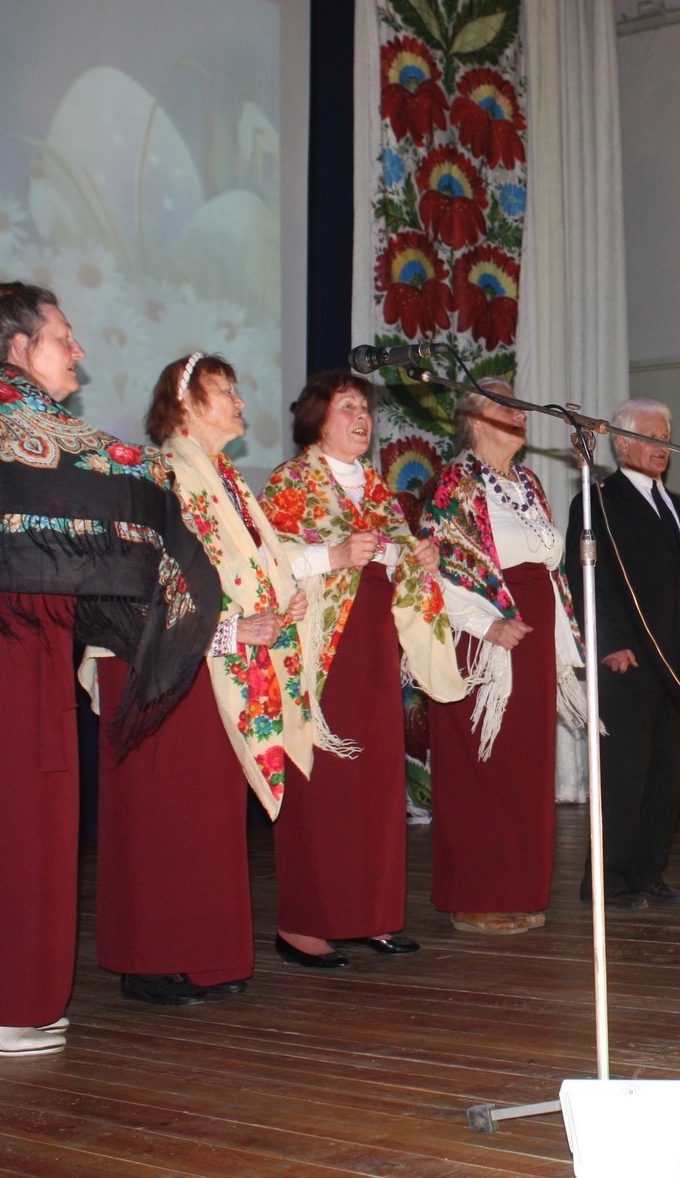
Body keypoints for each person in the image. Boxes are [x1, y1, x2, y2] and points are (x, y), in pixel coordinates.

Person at [0, 282, 216, 1055]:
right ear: (20, 346)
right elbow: (118, 471)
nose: (79, 351)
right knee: (14, 811)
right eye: (65, 337)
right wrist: (173, 480)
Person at [92, 352, 341, 1002]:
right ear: (184, 403)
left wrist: (281, 599)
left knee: (204, 815)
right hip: (158, 666)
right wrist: (231, 630)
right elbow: (138, 587)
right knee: (162, 813)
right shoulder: (154, 475)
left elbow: (253, 565)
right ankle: (150, 961)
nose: (239, 402)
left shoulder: (224, 478)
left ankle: (205, 954)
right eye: (224, 390)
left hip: (208, 668)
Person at [261, 371, 465, 954]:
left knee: (374, 784)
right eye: (346, 406)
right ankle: (303, 925)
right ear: (316, 419)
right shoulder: (290, 481)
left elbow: (397, 568)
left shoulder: (375, 488)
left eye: (365, 408)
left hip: (374, 649)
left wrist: (420, 558)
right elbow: (262, 562)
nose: (362, 417)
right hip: (321, 652)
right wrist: (332, 555)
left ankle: (371, 914)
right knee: (321, 782)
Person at [421, 378, 583, 934]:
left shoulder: (528, 483)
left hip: (530, 639)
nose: (519, 412)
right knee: (481, 766)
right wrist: (486, 625)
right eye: (503, 404)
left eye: (519, 403)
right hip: (482, 641)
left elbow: (549, 565)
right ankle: (475, 896)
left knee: (524, 768)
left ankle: (519, 890)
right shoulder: (455, 484)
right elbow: (438, 571)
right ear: (473, 420)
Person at [566, 398, 680, 910]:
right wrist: (608, 642)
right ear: (622, 443)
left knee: (665, 775)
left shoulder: (676, 507)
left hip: (676, 663)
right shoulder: (597, 501)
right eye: (651, 438)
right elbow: (587, 578)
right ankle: (606, 882)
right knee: (623, 775)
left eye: (666, 438)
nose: (662, 447)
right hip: (627, 661)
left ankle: (648, 874)